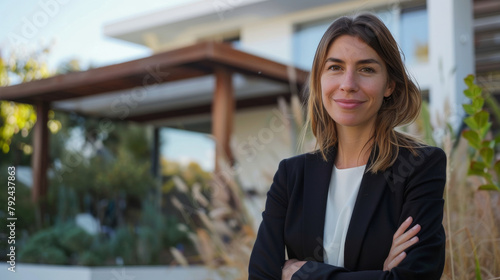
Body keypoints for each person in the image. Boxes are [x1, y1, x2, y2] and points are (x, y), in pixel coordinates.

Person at [248, 13, 446, 280]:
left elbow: (414, 278)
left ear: (389, 85)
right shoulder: (291, 175)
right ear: (319, 80)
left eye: (366, 69)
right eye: (335, 68)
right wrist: (380, 275)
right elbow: (261, 276)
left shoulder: (420, 166)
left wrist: (305, 273)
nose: (348, 84)